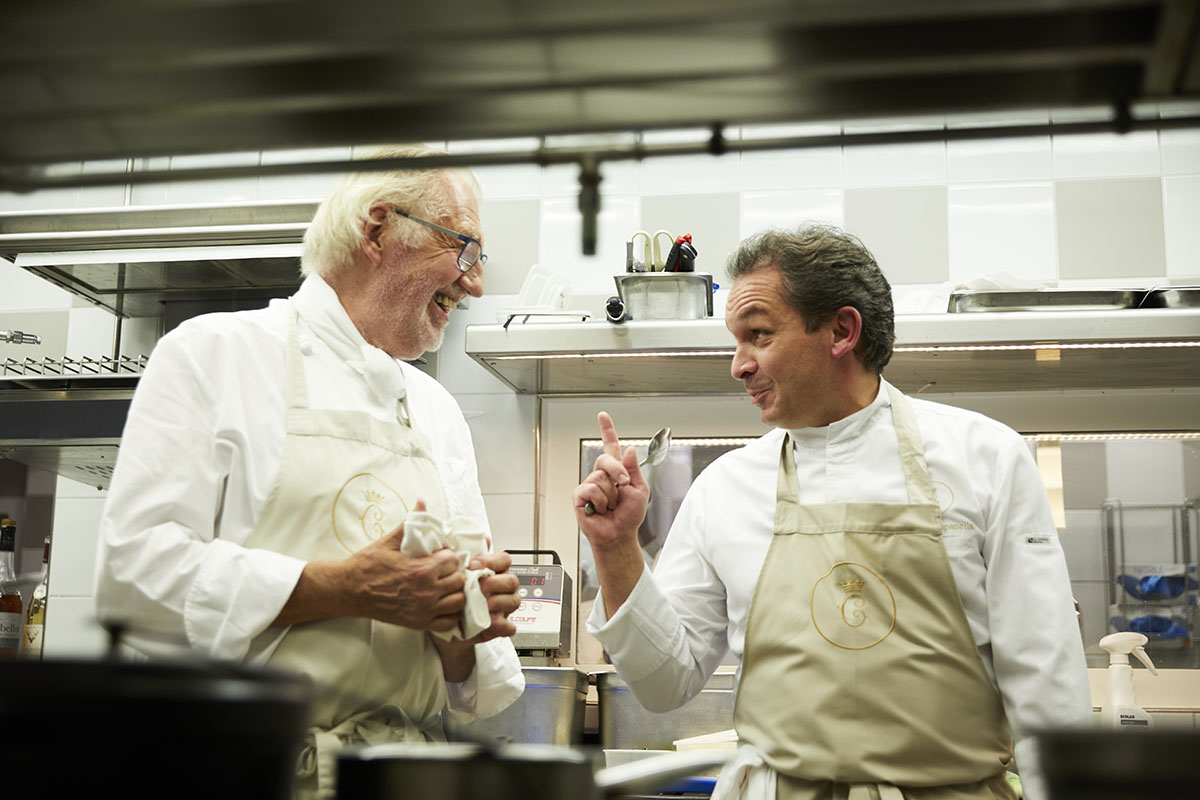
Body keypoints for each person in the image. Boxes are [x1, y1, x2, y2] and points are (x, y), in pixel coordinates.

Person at [574, 223, 1091, 800]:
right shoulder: (726, 486)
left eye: (759, 335)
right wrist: (618, 550)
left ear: (842, 330)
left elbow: (1047, 684)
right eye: (736, 341)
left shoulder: (988, 458)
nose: (738, 365)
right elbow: (665, 681)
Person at [95, 144, 524, 797]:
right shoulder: (213, 356)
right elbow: (134, 573)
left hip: (404, 778)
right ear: (378, 230)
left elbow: (468, 681)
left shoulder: (436, 411)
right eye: (463, 250)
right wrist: (343, 588)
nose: (474, 283)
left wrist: (465, 617)